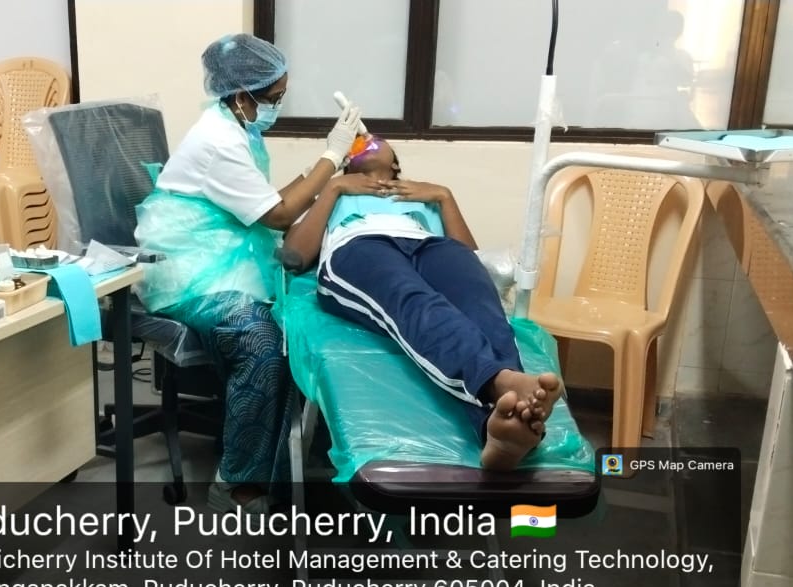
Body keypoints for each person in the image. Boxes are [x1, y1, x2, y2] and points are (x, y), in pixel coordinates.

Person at [133, 33, 364, 512]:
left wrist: (327, 164)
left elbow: (265, 199)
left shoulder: (240, 128)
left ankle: (294, 463)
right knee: (263, 343)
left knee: (306, 321)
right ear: (242, 95)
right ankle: (237, 483)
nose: (278, 106)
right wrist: (331, 163)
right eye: (274, 98)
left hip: (224, 256)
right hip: (188, 273)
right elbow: (277, 215)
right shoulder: (217, 140)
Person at [282, 136, 561, 470]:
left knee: (479, 302)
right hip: (359, 246)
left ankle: (503, 426)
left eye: (376, 140)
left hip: (428, 245)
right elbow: (295, 255)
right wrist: (333, 188)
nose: (365, 141)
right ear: (347, 163)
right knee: (416, 301)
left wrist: (444, 196)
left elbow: (473, 258)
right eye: (357, 143)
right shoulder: (334, 192)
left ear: (394, 163)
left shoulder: (421, 196)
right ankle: (500, 383)